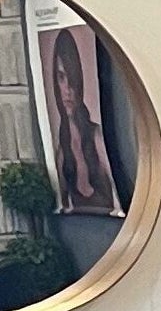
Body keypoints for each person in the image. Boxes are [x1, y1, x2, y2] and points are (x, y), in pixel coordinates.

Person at [44, 29, 114, 216]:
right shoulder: (62, 151)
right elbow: (63, 205)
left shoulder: (96, 137)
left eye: (70, 77)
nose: (67, 90)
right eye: (60, 78)